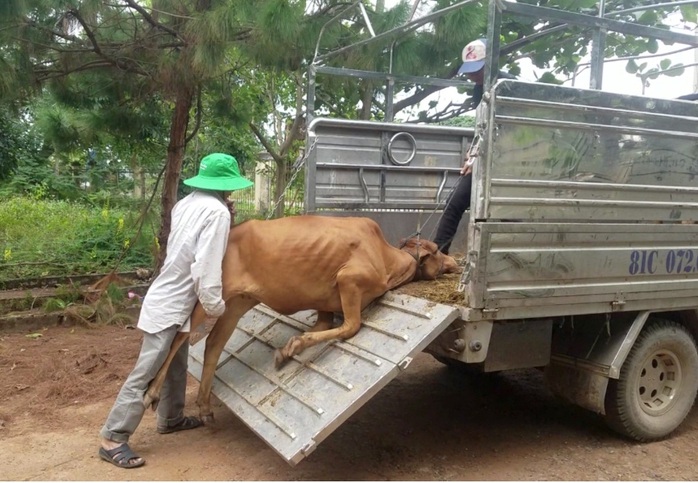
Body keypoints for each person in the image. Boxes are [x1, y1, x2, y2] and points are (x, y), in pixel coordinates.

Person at [98, 152, 253, 469]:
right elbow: (205, 266)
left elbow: (190, 245)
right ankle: (112, 437)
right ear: (228, 184)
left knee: (177, 363)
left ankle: (170, 418)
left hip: (168, 294)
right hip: (173, 303)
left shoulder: (186, 203)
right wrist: (216, 307)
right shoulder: (217, 213)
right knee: (148, 372)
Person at [433, 38, 514, 254]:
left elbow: (510, 130)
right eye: (469, 70)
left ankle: (504, 257)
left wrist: (480, 153)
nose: (472, 75)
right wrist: (472, 153)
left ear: (492, 63)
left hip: (511, 161)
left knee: (503, 210)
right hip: (485, 157)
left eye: (477, 69)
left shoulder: (510, 87)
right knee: (455, 201)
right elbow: (481, 126)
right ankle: (438, 255)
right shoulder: (478, 90)